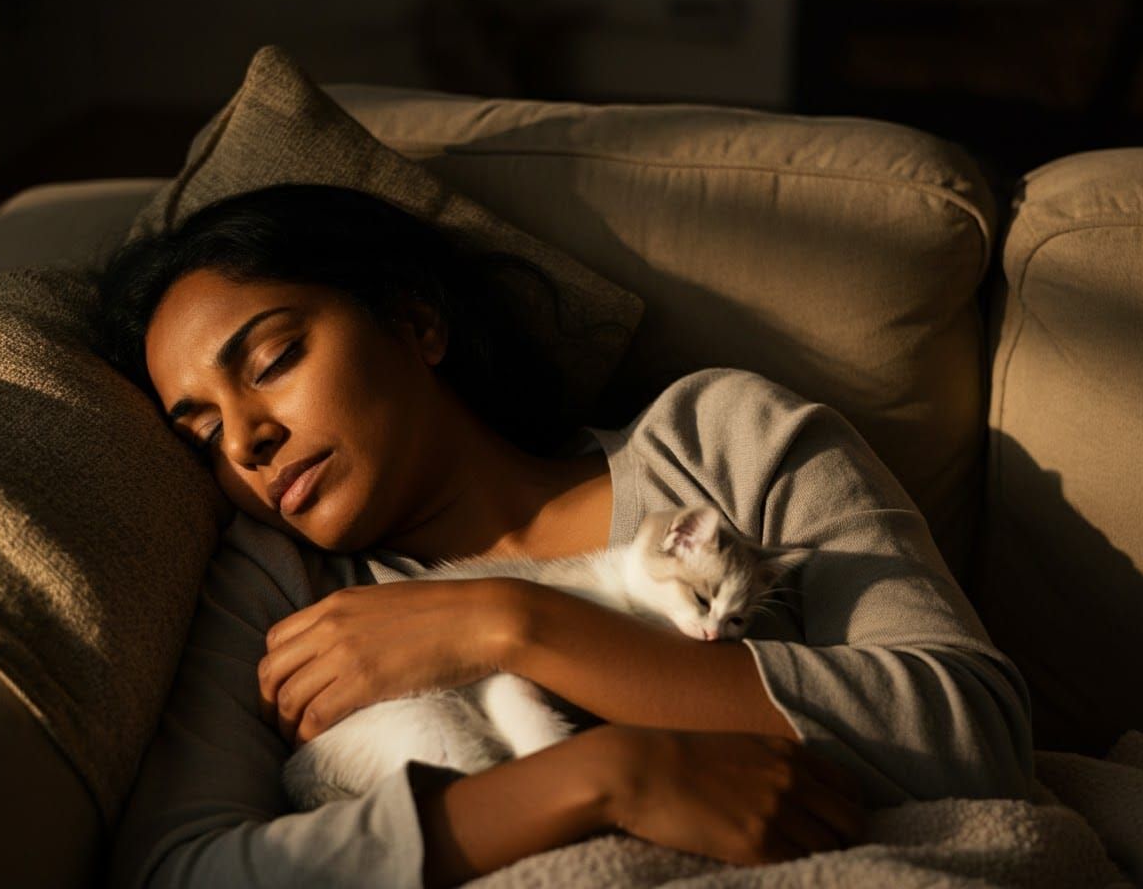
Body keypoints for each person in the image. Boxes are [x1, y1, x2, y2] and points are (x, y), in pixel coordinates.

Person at [93, 182, 1034, 888]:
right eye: (204, 433)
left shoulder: (715, 439)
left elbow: (978, 728)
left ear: (416, 322)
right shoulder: (277, 582)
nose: (247, 442)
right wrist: (600, 777)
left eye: (272, 358)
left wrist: (508, 623)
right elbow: (182, 869)